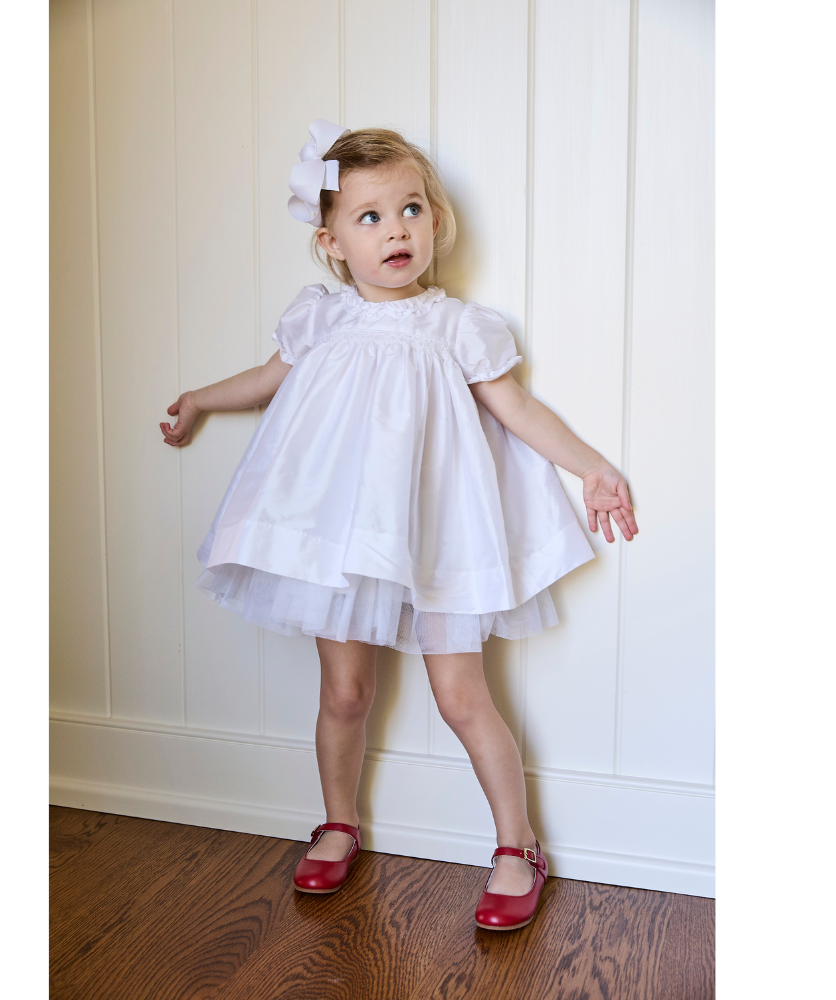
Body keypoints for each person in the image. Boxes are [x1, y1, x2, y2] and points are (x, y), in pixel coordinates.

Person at [159, 120, 638, 931]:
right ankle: (337, 821)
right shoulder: (321, 320)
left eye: (411, 209)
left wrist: (590, 466)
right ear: (332, 242)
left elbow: (517, 409)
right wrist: (202, 397)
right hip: (343, 540)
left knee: (461, 696)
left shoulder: (455, 327)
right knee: (344, 692)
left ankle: (518, 845)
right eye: (370, 217)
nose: (396, 231)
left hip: (435, 537)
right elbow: (268, 381)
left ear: (436, 220)